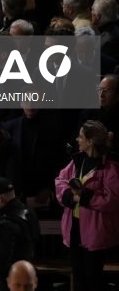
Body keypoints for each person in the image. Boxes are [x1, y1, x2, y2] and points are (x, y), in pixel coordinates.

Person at [55, 120, 119, 291]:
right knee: (79, 280)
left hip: (95, 232)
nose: (77, 139)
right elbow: (60, 181)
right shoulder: (77, 161)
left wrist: (83, 197)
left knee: (93, 281)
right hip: (74, 228)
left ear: (90, 141)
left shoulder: (110, 167)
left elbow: (112, 199)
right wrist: (69, 195)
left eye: (81, 137)